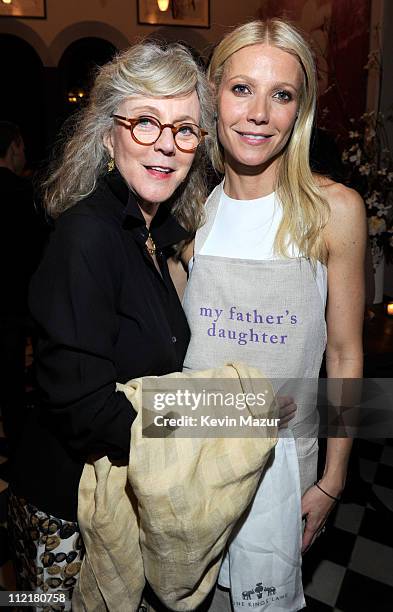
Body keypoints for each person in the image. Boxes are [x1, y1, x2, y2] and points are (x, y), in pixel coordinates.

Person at [7, 41, 213, 607]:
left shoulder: (152, 235)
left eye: (185, 129)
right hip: (63, 511)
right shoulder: (89, 235)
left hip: (112, 499)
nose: (166, 146)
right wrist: (203, 432)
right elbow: (82, 404)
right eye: (145, 122)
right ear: (106, 135)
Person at [173, 19, 366, 611]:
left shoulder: (335, 210)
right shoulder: (181, 211)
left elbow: (347, 354)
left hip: (283, 472)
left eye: (281, 94)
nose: (259, 112)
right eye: (241, 89)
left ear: (299, 110)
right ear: (212, 95)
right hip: (190, 462)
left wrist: (333, 480)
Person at [0, 122, 47, 457]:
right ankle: (18, 449)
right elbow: (40, 252)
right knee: (12, 382)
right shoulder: (23, 195)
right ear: (14, 145)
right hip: (17, 305)